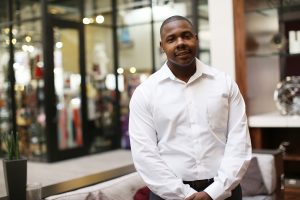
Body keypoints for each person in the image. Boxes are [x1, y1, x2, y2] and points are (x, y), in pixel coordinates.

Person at [129, 15, 252, 200]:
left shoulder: (224, 83)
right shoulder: (145, 93)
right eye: (171, 39)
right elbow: (145, 155)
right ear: (162, 46)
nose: (180, 43)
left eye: (186, 36)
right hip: (168, 195)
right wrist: (185, 194)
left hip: (225, 192)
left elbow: (239, 142)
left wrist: (214, 192)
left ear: (196, 39)